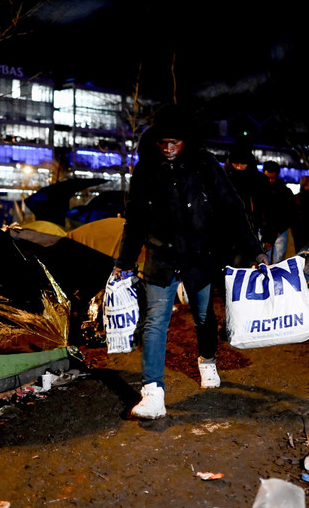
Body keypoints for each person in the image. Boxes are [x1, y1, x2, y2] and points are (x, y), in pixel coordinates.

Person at [112, 105, 268, 420]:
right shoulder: (145, 171)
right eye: (163, 142)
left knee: (202, 315)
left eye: (175, 142)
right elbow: (136, 221)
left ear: (186, 140)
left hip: (200, 255)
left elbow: (232, 209)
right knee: (155, 321)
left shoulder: (205, 166)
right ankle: (153, 392)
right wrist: (124, 261)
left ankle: (207, 361)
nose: (169, 149)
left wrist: (255, 249)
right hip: (162, 255)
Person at [224, 147, 269, 233]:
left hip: (251, 224)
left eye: (242, 164)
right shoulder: (226, 178)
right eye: (236, 163)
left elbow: (266, 206)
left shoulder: (259, 180)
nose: (239, 167)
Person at [259, 161, 296, 263]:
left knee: (275, 259)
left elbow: (291, 212)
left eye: (272, 178)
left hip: (277, 229)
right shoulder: (259, 189)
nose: (270, 181)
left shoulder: (284, 191)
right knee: (268, 259)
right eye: (268, 178)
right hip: (270, 229)